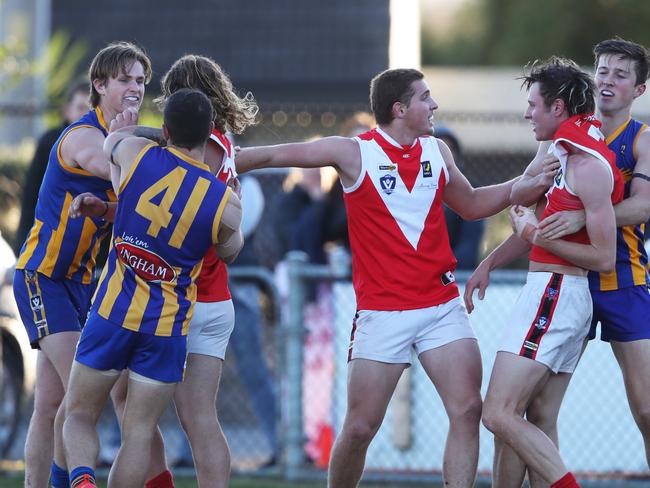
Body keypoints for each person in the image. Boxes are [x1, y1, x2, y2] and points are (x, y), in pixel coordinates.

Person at [236, 68, 519, 488]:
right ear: (399, 108)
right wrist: (220, 158)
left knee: (467, 410)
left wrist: (526, 183)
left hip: (441, 306)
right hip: (382, 312)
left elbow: (473, 204)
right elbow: (277, 155)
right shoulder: (355, 152)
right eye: (425, 98)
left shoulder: (437, 150)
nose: (435, 105)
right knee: (359, 429)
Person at [71, 53, 259, 487]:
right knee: (187, 417)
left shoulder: (152, 152)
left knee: (130, 410)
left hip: (177, 299)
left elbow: (162, 201)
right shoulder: (223, 150)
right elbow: (194, 221)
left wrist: (132, 135)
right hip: (204, 298)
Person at [472, 39, 650, 486]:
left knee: (646, 408)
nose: (608, 80)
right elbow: (530, 204)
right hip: (571, 282)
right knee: (531, 412)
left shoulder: (634, 141)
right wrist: (493, 257)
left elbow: (642, 207)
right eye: (602, 71)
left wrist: (574, 217)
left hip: (618, 278)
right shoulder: (565, 136)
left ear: (640, 90)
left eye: (620, 74)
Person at [11, 41, 152, 488]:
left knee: (53, 403)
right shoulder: (82, 134)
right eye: (125, 79)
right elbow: (114, 169)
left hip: (78, 283)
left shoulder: (129, 136)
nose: (136, 88)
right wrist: (135, 141)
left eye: (141, 81)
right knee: (82, 390)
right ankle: (70, 480)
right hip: (43, 276)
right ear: (99, 85)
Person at [14, 79, 90, 255]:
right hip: (49, 237)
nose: (86, 113)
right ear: (67, 110)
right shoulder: (50, 141)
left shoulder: (105, 144)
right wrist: (23, 244)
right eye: (80, 107)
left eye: (92, 108)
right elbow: (31, 195)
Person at [437, 126, 486, 269]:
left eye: (450, 149)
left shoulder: (470, 191)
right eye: (437, 150)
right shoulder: (413, 189)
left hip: (456, 276)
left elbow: (469, 247)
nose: (444, 155)